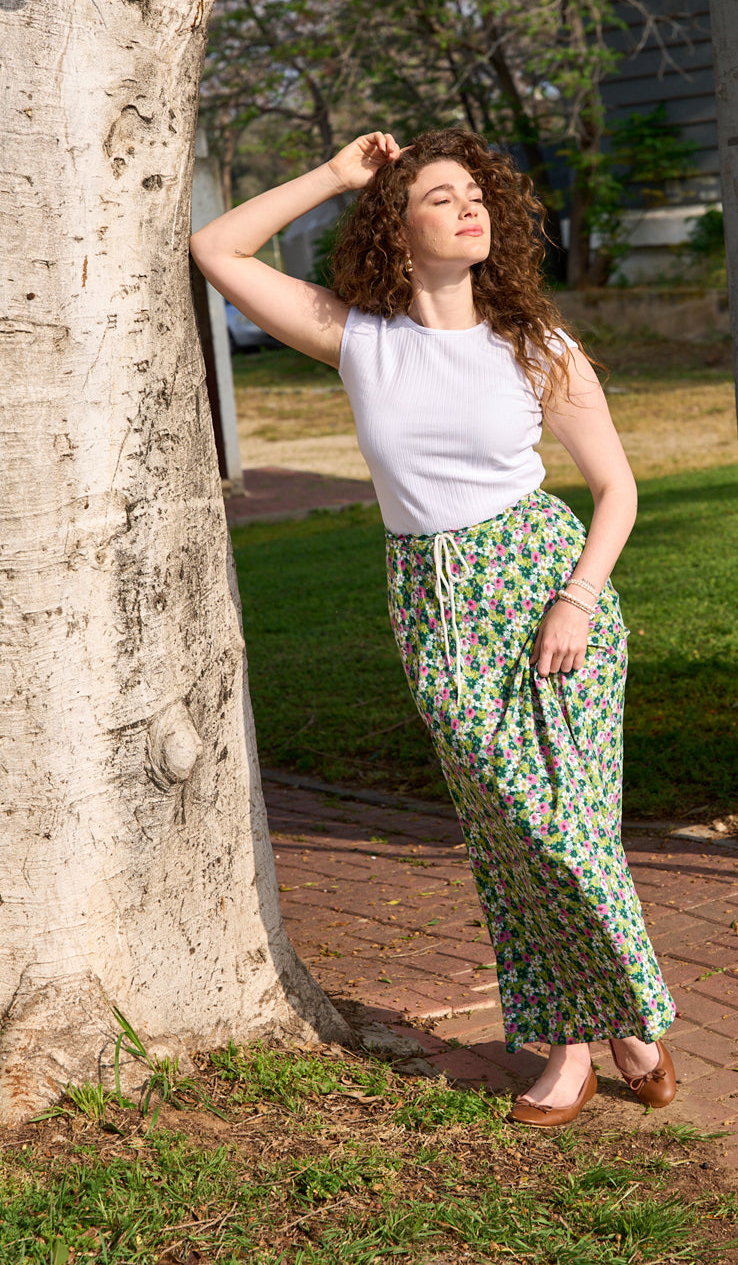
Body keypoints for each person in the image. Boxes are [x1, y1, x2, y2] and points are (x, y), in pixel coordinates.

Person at [190, 128, 676, 1126]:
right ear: (399, 230)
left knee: (568, 832)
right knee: (507, 833)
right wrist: (334, 175)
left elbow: (615, 487)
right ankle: (598, 1030)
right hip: (435, 605)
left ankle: (600, 1037)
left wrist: (576, 598)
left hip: (548, 590)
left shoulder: (534, 344)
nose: (470, 208)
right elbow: (217, 251)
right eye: (440, 196)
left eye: (478, 195)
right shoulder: (360, 338)